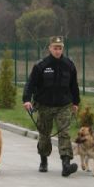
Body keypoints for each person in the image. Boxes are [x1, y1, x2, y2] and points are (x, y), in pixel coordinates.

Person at [22, 36, 80, 177]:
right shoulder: (41, 65)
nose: (57, 51)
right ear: (49, 48)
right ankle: (43, 159)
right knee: (45, 135)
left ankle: (66, 164)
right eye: (55, 48)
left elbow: (74, 86)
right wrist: (27, 99)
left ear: (63, 49)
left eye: (60, 48)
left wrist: (76, 102)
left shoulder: (69, 65)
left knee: (64, 133)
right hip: (44, 105)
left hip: (64, 105)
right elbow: (30, 84)